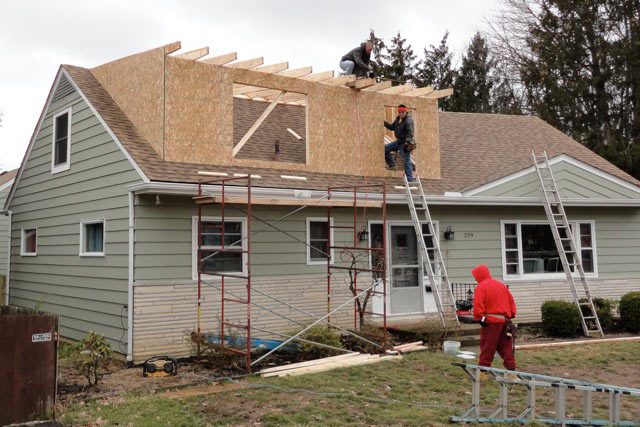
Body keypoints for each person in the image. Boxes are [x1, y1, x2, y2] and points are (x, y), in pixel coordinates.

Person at [471, 264, 517, 372]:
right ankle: (511, 368)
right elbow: (511, 301)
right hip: (505, 321)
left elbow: (478, 304)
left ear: (480, 274)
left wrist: (480, 317)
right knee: (505, 346)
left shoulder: (481, 286)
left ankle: (483, 370)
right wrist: (511, 315)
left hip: (491, 322)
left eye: (475, 275)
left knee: (487, 345)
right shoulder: (501, 285)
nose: (475, 278)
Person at [384, 105, 415, 181]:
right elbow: (391, 127)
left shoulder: (408, 120)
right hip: (398, 142)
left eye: (402, 112)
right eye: (400, 112)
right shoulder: (398, 119)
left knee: (406, 160)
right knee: (385, 149)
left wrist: (406, 143)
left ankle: (410, 179)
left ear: (405, 112)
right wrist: (384, 123)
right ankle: (392, 165)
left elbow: (410, 133)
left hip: (404, 143)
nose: (401, 114)